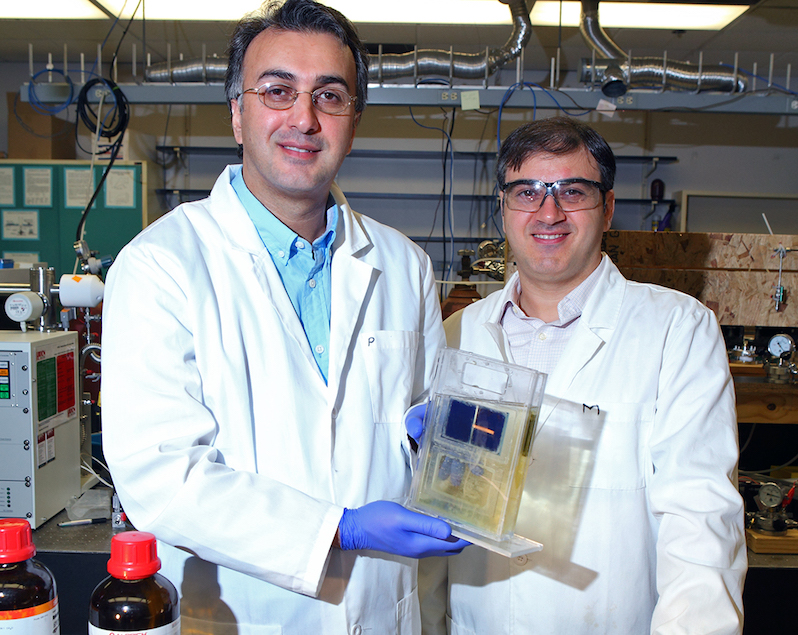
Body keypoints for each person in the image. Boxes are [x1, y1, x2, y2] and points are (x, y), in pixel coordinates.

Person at [100, 1, 467, 633]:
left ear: (353, 120)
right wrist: (339, 529)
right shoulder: (162, 265)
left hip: (383, 608)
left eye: (330, 95)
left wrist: (435, 443)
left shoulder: (402, 264)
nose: (304, 118)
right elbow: (163, 479)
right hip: (246, 610)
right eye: (277, 91)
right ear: (238, 114)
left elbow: (425, 441)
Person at [419, 116, 747, 634]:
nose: (549, 212)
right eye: (526, 192)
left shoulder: (676, 331)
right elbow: (440, 513)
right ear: (503, 209)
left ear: (608, 208)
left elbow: (701, 519)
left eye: (572, 191)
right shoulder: (458, 334)